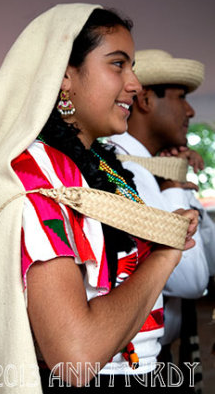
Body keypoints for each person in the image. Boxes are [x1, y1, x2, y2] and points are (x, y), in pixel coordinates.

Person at [0, 5, 198, 394]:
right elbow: (75, 359)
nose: (134, 83)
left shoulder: (101, 166)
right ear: (64, 76)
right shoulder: (35, 174)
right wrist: (166, 254)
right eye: (118, 65)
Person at [108, 49, 215, 389]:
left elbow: (209, 263)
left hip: (159, 355)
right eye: (180, 97)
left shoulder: (151, 166)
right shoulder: (124, 169)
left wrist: (178, 185)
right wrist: (171, 189)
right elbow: (192, 280)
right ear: (145, 100)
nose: (190, 110)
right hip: (131, 368)